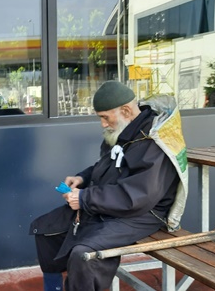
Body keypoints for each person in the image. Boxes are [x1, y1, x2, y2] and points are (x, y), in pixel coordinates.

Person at [30, 81, 184, 291]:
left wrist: (84, 198)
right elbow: (107, 166)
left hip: (144, 212)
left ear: (126, 110)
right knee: (46, 229)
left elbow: (139, 195)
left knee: (84, 254)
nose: (103, 124)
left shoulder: (153, 141)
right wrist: (82, 178)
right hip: (110, 202)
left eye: (105, 117)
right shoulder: (124, 130)